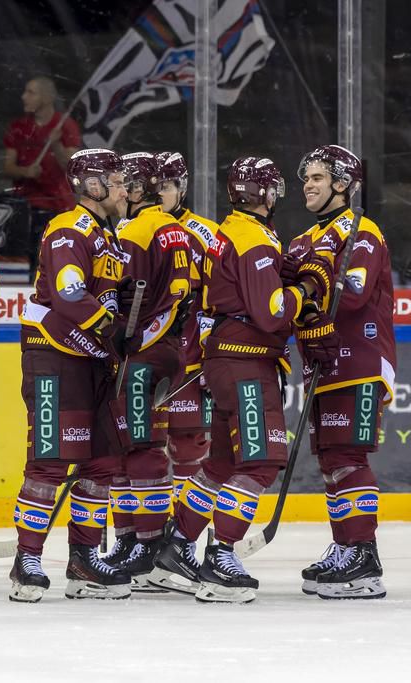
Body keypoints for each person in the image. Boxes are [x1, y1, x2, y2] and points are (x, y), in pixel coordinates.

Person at [149, 156, 332, 603]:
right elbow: (271, 312)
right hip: (246, 361)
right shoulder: (253, 238)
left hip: (226, 360)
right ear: (265, 194)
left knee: (223, 464)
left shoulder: (233, 231)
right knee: (262, 461)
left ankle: (176, 548)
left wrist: (287, 273)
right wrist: (305, 289)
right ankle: (221, 557)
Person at [8, 148, 132, 603]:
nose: (124, 188)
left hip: (93, 359)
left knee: (102, 462)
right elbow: (69, 293)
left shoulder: (109, 237)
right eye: (116, 181)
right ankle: (27, 560)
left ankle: (83, 559)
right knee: (51, 460)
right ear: (92, 186)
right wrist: (111, 327)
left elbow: (109, 296)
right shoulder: (69, 228)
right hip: (54, 354)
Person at [287, 145, 395, 600]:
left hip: (360, 360)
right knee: (332, 461)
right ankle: (345, 545)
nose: (307, 185)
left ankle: (364, 557)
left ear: (343, 183)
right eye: (306, 178)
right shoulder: (302, 241)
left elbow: (350, 295)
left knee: (349, 456)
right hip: (323, 363)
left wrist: (301, 295)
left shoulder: (362, 231)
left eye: (317, 177)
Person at [101, 152, 191, 592]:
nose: (119, 191)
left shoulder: (135, 229)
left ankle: (150, 543)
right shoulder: (174, 228)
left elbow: (112, 290)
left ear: (139, 189)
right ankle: (129, 538)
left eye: (125, 183)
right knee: (128, 445)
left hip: (141, 350)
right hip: (165, 347)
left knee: (139, 446)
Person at [153, 152, 220, 504]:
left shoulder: (207, 235)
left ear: (182, 188)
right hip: (143, 360)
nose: (158, 194)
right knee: (138, 448)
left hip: (189, 361)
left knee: (188, 446)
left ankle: (184, 529)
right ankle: (144, 529)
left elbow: (218, 300)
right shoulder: (130, 229)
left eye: (165, 186)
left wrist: (212, 356)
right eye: (152, 186)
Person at [2, 77, 82, 276]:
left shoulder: (65, 125)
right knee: (27, 258)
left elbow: (71, 166)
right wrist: (25, 172)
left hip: (58, 203)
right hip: (25, 204)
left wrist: (56, 144)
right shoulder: (18, 126)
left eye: (31, 92)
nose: (24, 97)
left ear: (47, 97)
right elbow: (8, 167)